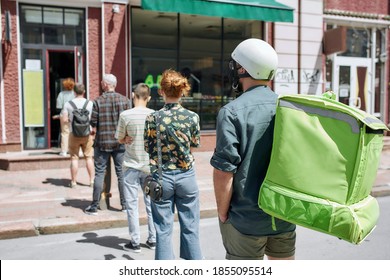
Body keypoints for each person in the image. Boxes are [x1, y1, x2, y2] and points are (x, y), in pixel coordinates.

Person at [210, 38, 296, 260]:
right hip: (285, 216)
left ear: (242, 69)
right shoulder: (290, 108)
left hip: (245, 220)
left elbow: (223, 173)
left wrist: (222, 213)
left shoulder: (230, 112)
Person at [144, 69, 202, 260]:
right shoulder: (192, 117)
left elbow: (148, 148)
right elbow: (193, 146)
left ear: (162, 91)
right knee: (191, 228)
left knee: (163, 230)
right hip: (187, 176)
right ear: (182, 91)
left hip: (162, 179)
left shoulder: (152, 118)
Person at [115, 83, 156, 253]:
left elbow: (119, 138)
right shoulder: (155, 115)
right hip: (149, 166)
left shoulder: (125, 115)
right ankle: (153, 240)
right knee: (151, 204)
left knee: (132, 205)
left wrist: (125, 140)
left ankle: (135, 242)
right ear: (149, 97)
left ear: (133, 95)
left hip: (131, 165)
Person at [84, 74, 130, 215]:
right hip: (119, 143)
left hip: (102, 143)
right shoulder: (125, 101)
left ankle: (94, 206)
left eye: (102, 81)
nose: (101, 83)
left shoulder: (97, 101)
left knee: (99, 174)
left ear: (105, 84)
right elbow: (127, 122)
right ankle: (125, 205)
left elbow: (93, 122)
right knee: (121, 174)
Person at [61, 83, 94, 188]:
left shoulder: (68, 104)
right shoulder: (90, 104)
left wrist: (71, 119)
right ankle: (92, 181)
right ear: (84, 91)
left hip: (73, 134)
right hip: (87, 134)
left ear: (74, 92)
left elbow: (65, 120)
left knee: (74, 158)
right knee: (89, 158)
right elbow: (93, 119)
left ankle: (74, 182)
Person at [56, 77, 75, 156]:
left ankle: (64, 151)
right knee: (74, 132)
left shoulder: (61, 94)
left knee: (64, 133)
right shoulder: (75, 94)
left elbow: (59, 106)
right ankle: (75, 150)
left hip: (64, 114)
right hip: (74, 114)